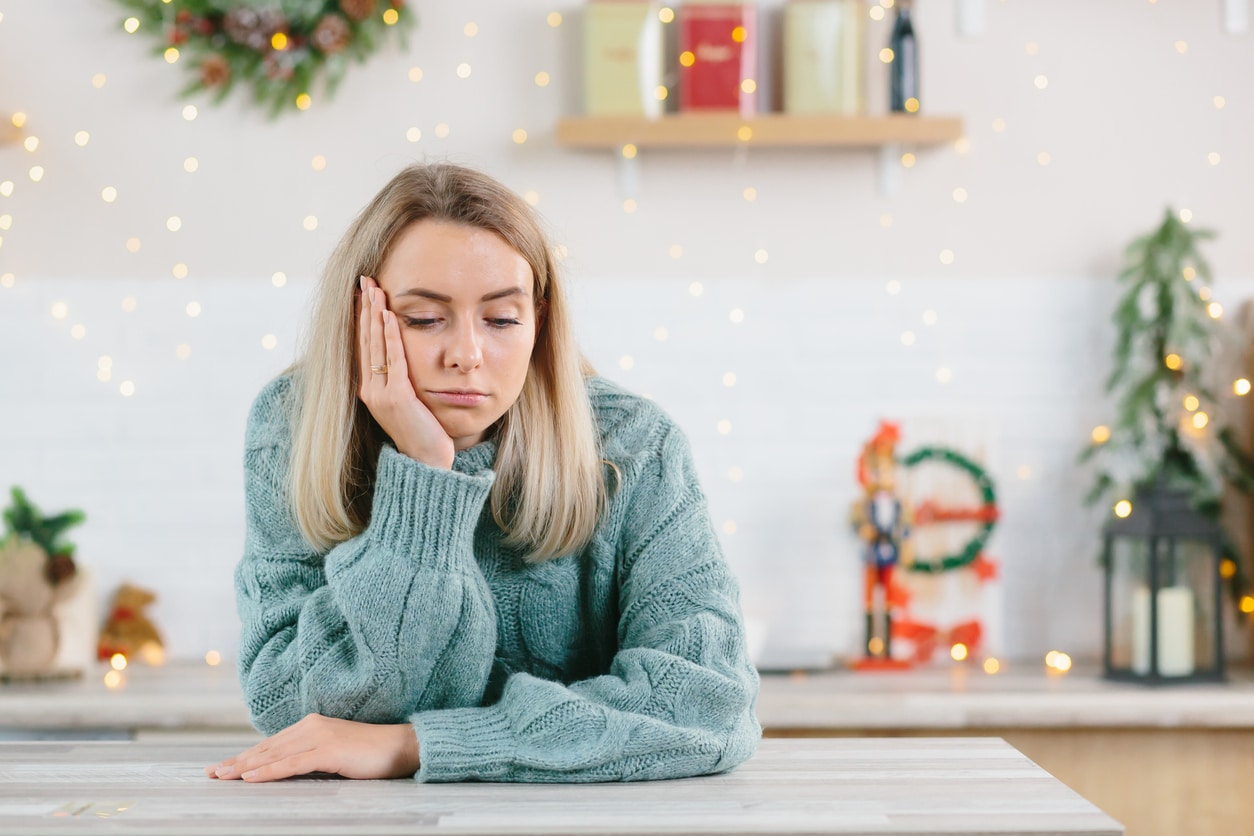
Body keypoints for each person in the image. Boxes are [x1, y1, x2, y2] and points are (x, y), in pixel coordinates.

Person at [205, 163, 761, 784]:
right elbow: (290, 706)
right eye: (422, 318)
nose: (466, 354)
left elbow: (709, 705)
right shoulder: (293, 424)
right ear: (362, 319)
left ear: (538, 325)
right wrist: (423, 478)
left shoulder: (634, 445)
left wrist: (418, 745)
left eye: (500, 320)